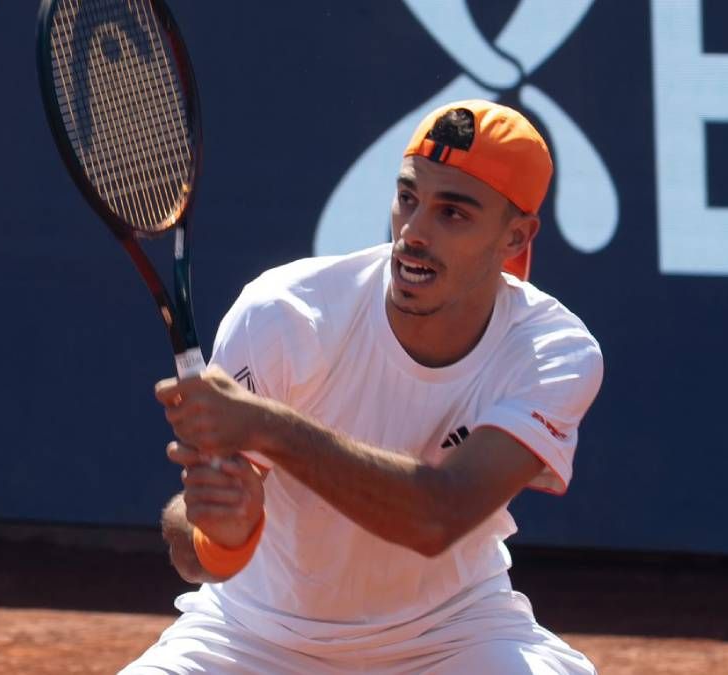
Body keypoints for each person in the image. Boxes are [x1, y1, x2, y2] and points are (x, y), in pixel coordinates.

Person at [123, 99, 605, 674]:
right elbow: (194, 543)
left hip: (453, 637)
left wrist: (270, 427)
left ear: (515, 236)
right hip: (248, 637)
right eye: (408, 199)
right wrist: (218, 535)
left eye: (453, 214)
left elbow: (437, 517)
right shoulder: (285, 314)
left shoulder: (552, 351)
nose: (414, 233)